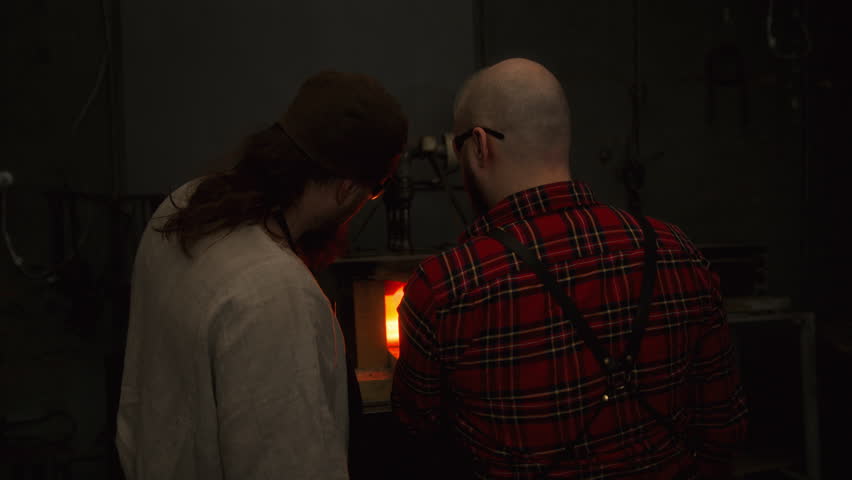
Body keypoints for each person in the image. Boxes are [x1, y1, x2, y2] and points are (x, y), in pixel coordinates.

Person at [391, 58, 747, 479]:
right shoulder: (677, 252)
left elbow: (415, 439)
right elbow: (723, 427)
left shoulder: (445, 287)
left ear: (481, 144)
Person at [116, 70, 407, 480]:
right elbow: (289, 462)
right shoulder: (276, 293)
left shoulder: (181, 208)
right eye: (373, 191)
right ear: (347, 188)